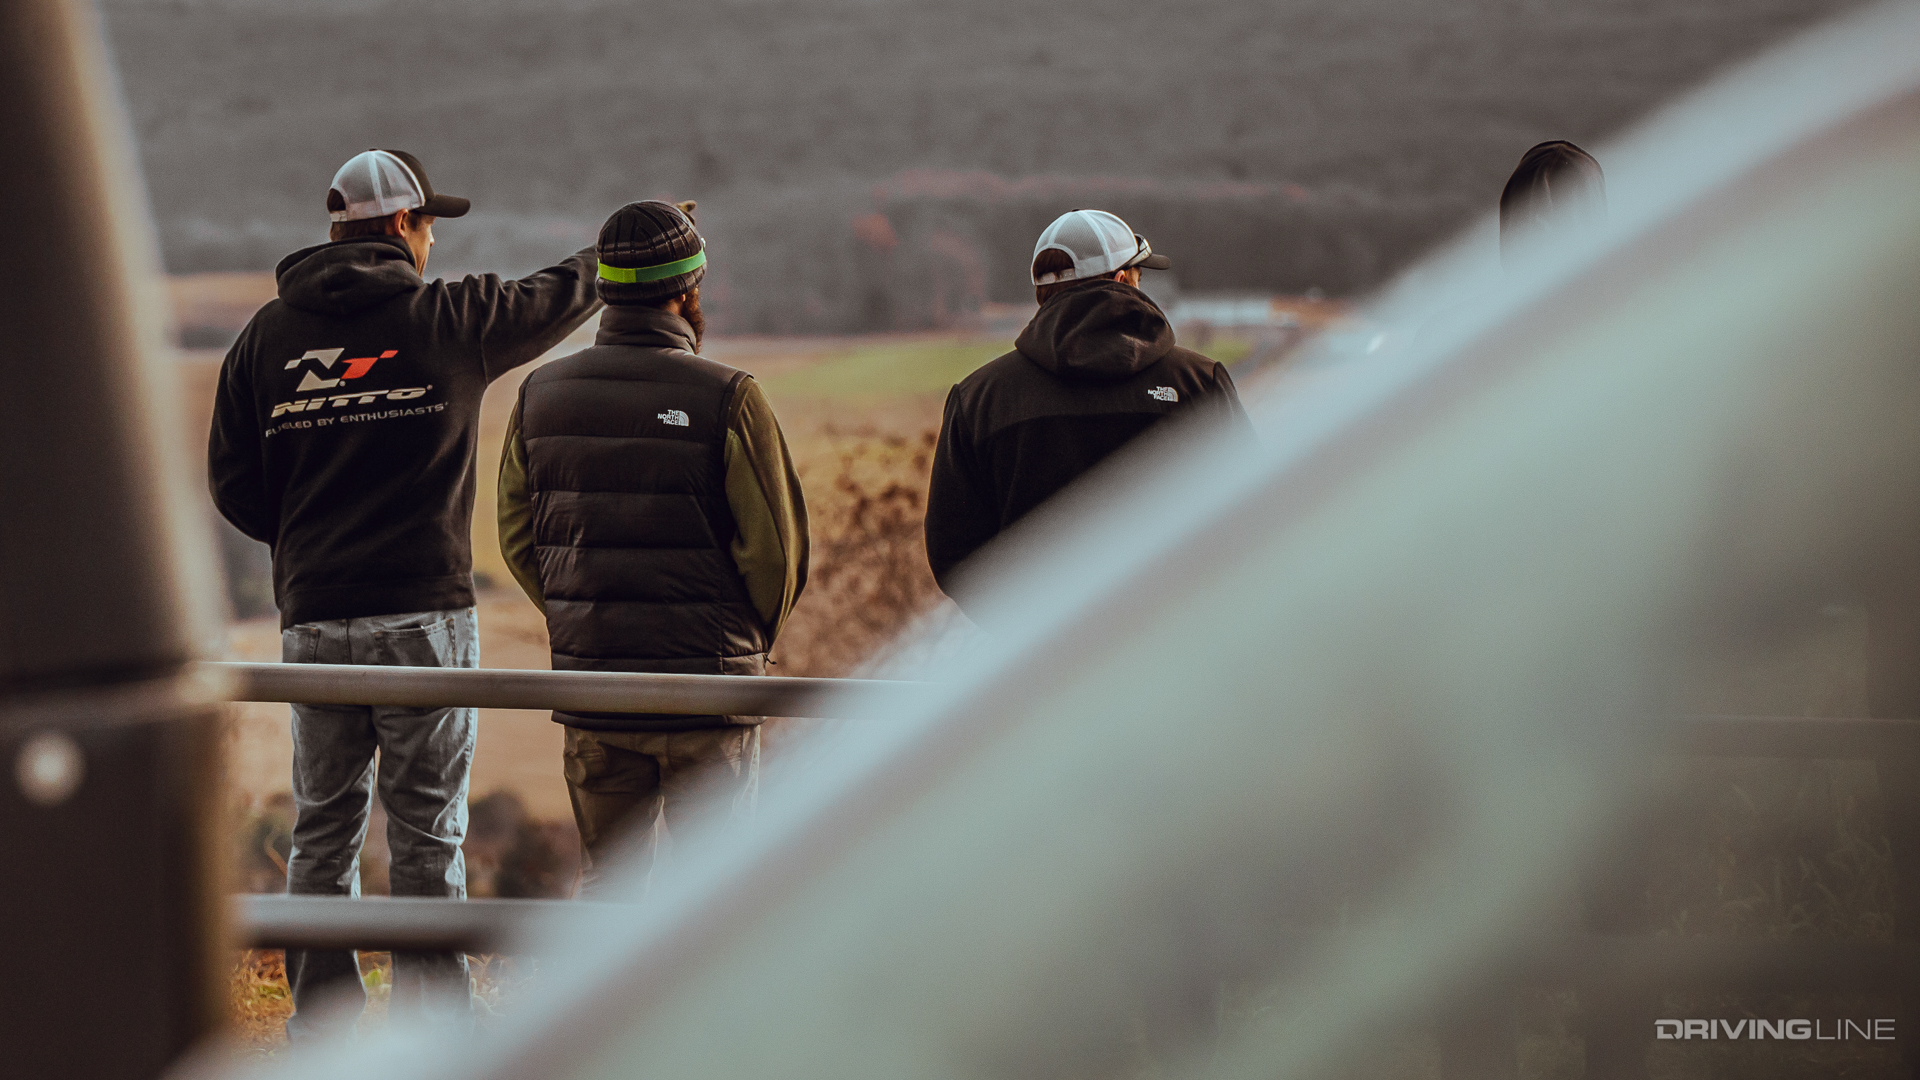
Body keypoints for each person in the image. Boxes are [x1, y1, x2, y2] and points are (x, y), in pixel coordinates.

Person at [207, 148, 602, 1038]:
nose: (430, 243)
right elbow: (556, 297)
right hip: (424, 614)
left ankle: (330, 1027)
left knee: (324, 830)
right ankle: (432, 1031)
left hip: (312, 617)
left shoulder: (264, 340)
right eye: (428, 225)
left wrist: (310, 542)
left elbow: (231, 480)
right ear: (399, 226)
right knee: (427, 834)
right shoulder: (447, 318)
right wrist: (616, 245)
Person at [496, 200, 808, 890]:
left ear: (604, 289)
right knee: (719, 898)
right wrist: (742, 642)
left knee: (614, 899)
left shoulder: (538, 396)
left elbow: (519, 538)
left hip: (597, 691)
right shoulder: (730, 396)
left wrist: (580, 616)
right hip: (707, 695)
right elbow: (776, 554)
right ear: (688, 289)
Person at [925, 209, 1252, 612]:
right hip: (1181, 653)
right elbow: (1252, 520)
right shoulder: (1200, 383)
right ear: (1121, 280)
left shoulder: (979, 399)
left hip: (1043, 662)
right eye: (1138, 274)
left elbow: (955, 554)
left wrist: (1023, 630)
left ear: (1041, 292)